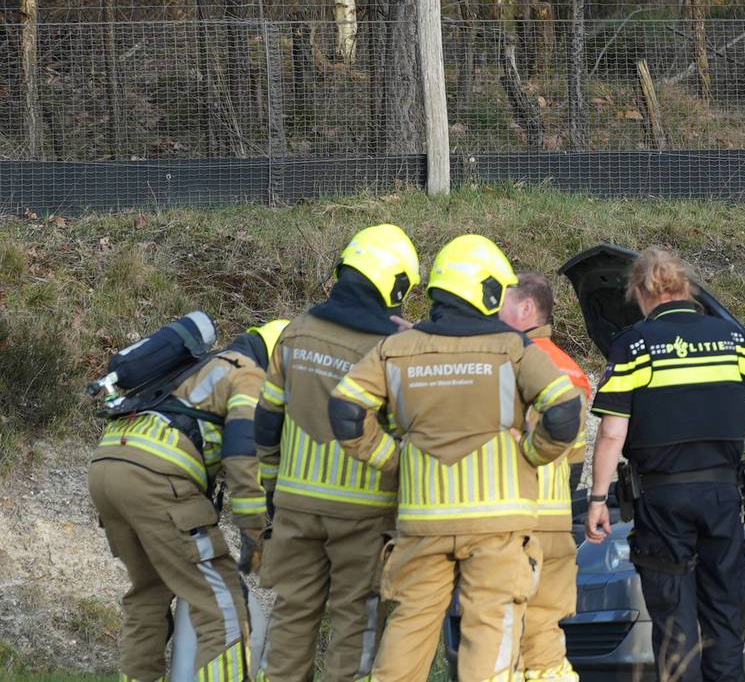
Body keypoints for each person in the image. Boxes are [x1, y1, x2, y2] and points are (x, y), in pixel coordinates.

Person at [328, 234, 586, 682]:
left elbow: (346, 410)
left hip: (423, 522)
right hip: (497, 525)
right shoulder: (514, 349)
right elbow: (564, 411)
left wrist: (394, 459)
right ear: (486, 290)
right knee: (490, 638)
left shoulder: (397, 347)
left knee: (407, 634)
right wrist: (532, 453)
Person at [585, 247, 745, 682]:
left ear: (640, 291)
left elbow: (613, 432)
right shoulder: (732, 338)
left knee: (674, 623)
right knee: (725, 618)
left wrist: (598, 499)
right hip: (724, 497)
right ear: (687, 288)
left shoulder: (634, 344)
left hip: (662, 500)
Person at [253, 224, 420, 682]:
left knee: (291, 616)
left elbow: (266, 421)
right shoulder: (394, 349)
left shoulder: (295, 333)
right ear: (396, 284)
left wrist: (273, 488)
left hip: (295, 508)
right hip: (365, 514)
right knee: (356, 623)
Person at [90, 318, 288, 682]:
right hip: (156, 479)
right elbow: (244, 456)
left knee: (148, 595)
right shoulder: (248, 376)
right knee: (223, 607)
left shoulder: (198, 366)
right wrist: (253, 532)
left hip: (107, 467)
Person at [498, 271, 591, 682]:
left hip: (513, 518)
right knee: (547, 635)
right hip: (556, 522)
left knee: (505, 631)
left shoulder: (510, 363)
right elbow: (576, 458)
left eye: (502, 304)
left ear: (526, 309)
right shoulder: (573, 370)